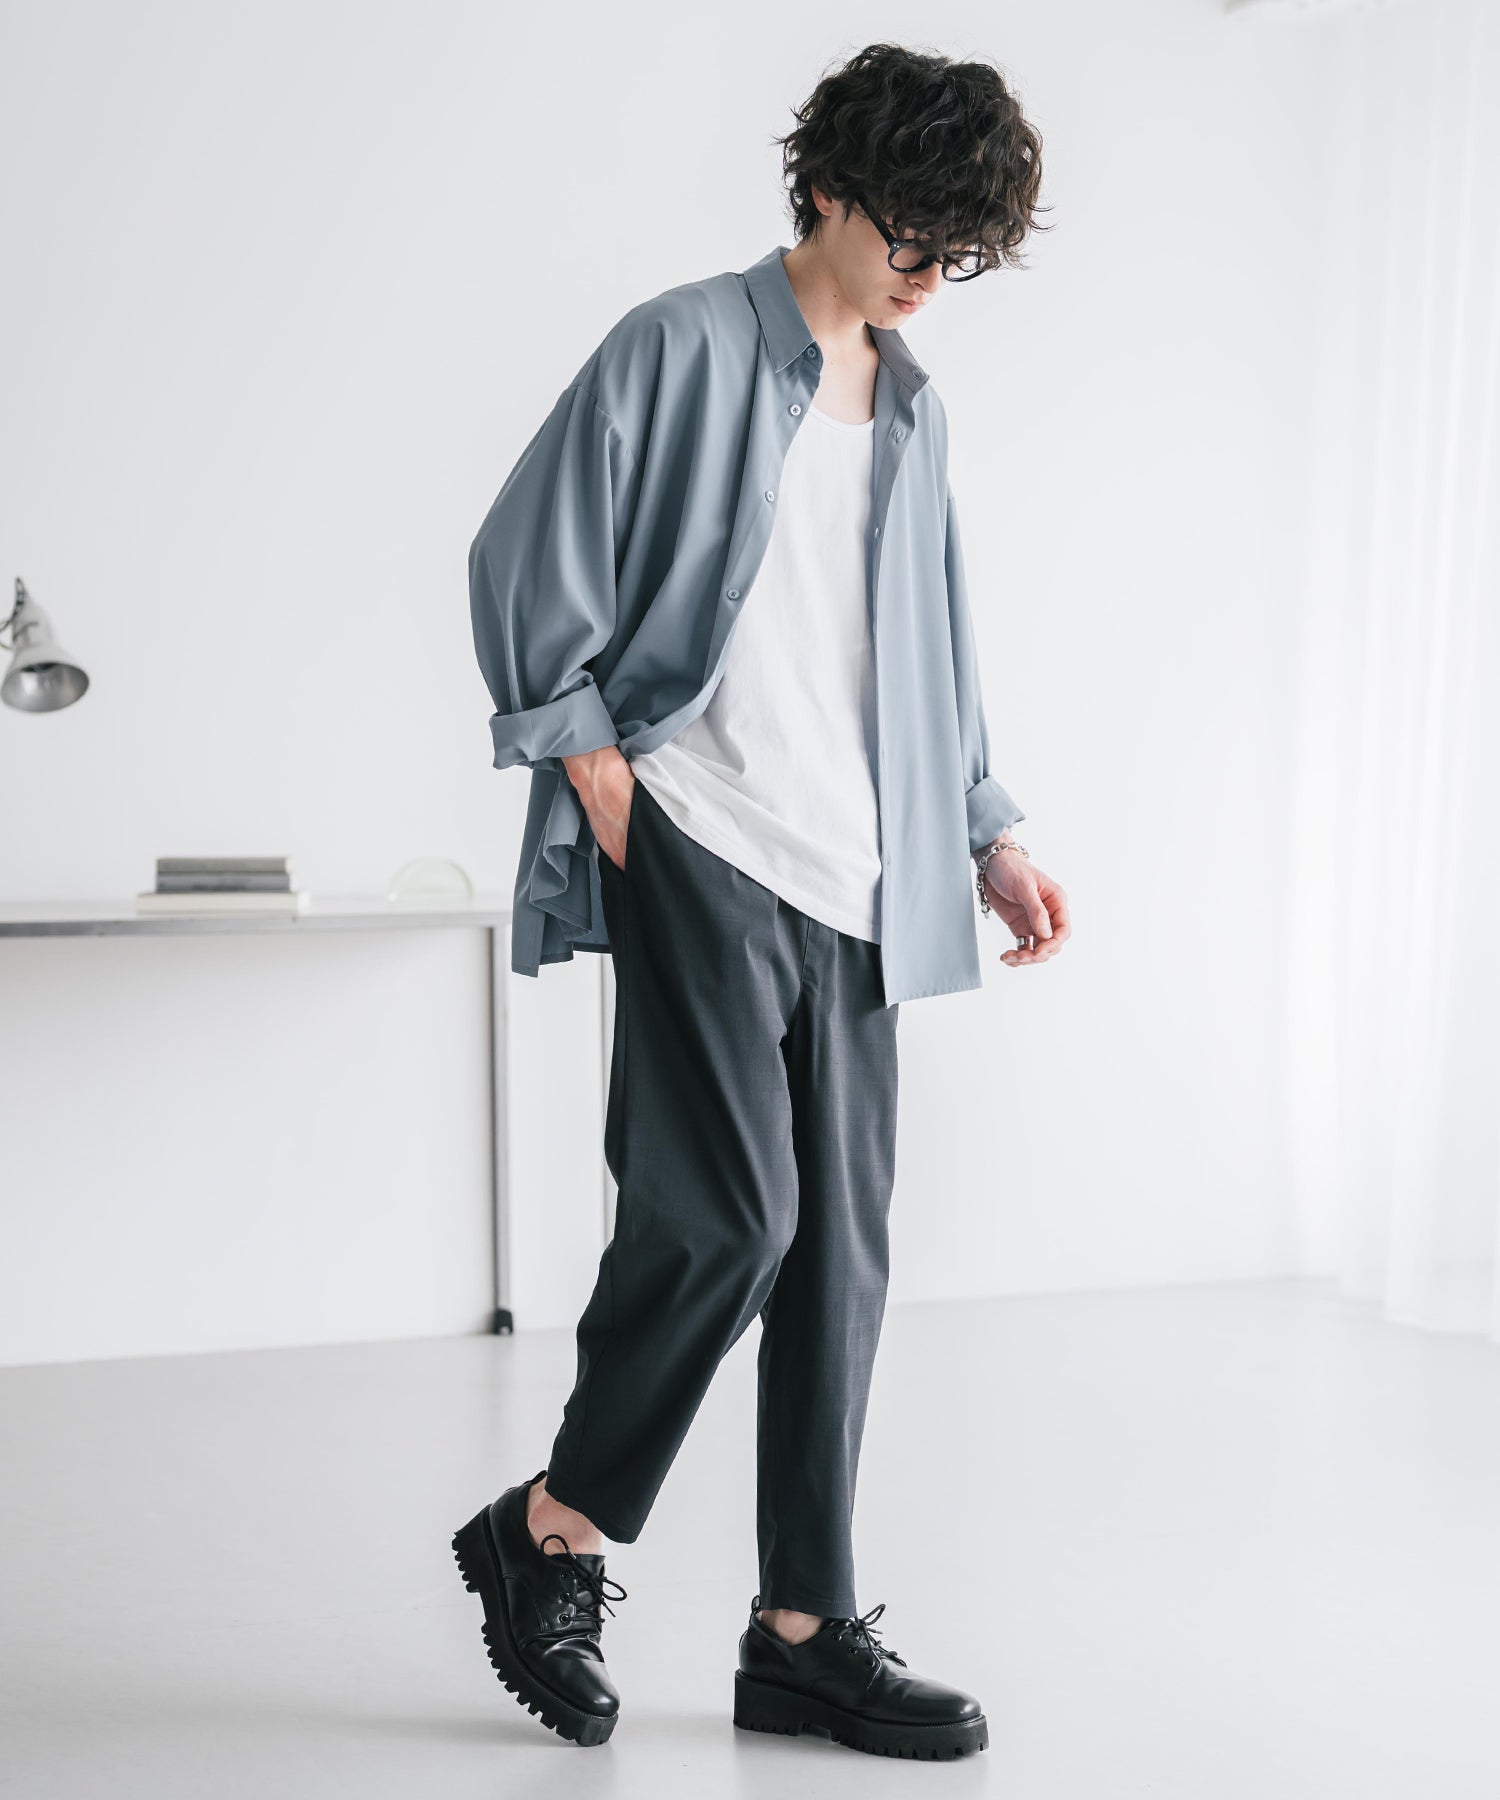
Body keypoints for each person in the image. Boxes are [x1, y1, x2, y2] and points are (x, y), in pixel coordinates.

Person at [453, 40, 1071, 1761]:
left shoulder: (915, 411)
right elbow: (520, 553)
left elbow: (925, 648)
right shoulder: (678, 346)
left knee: (841, 1258)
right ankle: (553, 1529)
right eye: (909, 237)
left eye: (958, 255)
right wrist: (592, 762)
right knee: (727, 1218)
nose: (927, 276)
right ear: (825, 191)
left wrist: (985, 831)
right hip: (706, 839)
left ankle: (803, 1628)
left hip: (866, 873)